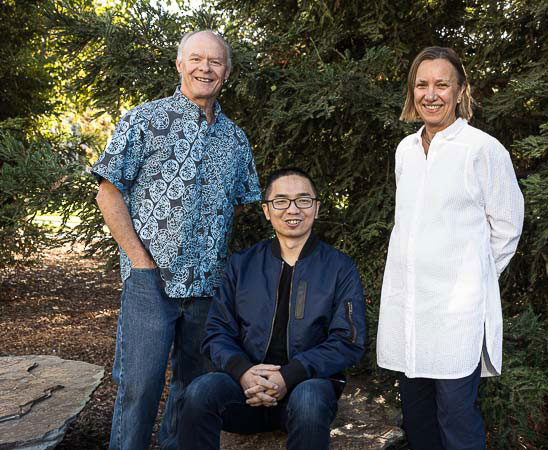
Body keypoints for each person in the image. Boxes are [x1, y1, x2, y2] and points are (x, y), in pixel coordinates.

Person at [90, 30, 261, 450]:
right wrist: (139, 259)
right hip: (151, 280)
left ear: (228, 72)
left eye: (216, 62)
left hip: (207, 287)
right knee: (140, 389)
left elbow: (240, 202)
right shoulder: (144, 119)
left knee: (193, 390)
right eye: (197, 59)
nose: (206, 68)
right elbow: (107, 191)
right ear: (180, 64)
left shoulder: (235, 138)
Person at [377, 47, 525, 450]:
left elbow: (508, 226)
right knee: (419, 419)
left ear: (460, 91)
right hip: (410, 309)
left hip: (457, 315)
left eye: (442, 84)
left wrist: (470, 278)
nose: (431, 94)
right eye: (422, 84)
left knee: (457, 421)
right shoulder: (405, 150)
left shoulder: (482, 149)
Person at [178, 168, 366, 450]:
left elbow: (347, 341)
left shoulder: (340, 268)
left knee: (311, 400)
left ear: (316, 208)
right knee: (199, 393)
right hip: (245, 389)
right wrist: (243, 372)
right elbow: (217, 332)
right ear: (267, 211)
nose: (292, 209)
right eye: (280, 201)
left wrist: (287, 377)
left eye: (303, 200)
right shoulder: (242, 264)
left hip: (305, 388)